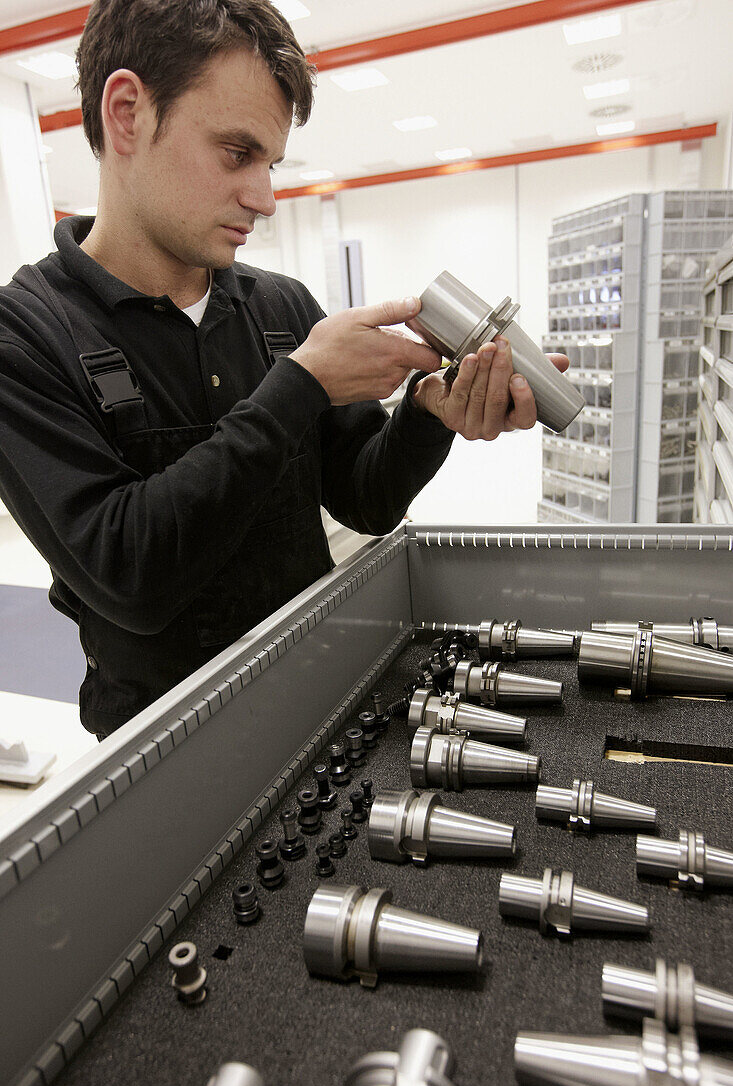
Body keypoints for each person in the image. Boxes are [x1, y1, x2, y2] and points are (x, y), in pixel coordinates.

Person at [0, 0, 567, 739]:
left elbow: (363, 498)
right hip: (166, 746)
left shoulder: (280, 306)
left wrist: (428, 415)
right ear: (128, 113)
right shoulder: (26, 335)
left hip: (316, 694)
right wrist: (298, 386)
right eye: (237, 154)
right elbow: (128, 577)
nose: (264, 199)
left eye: (270, 163)